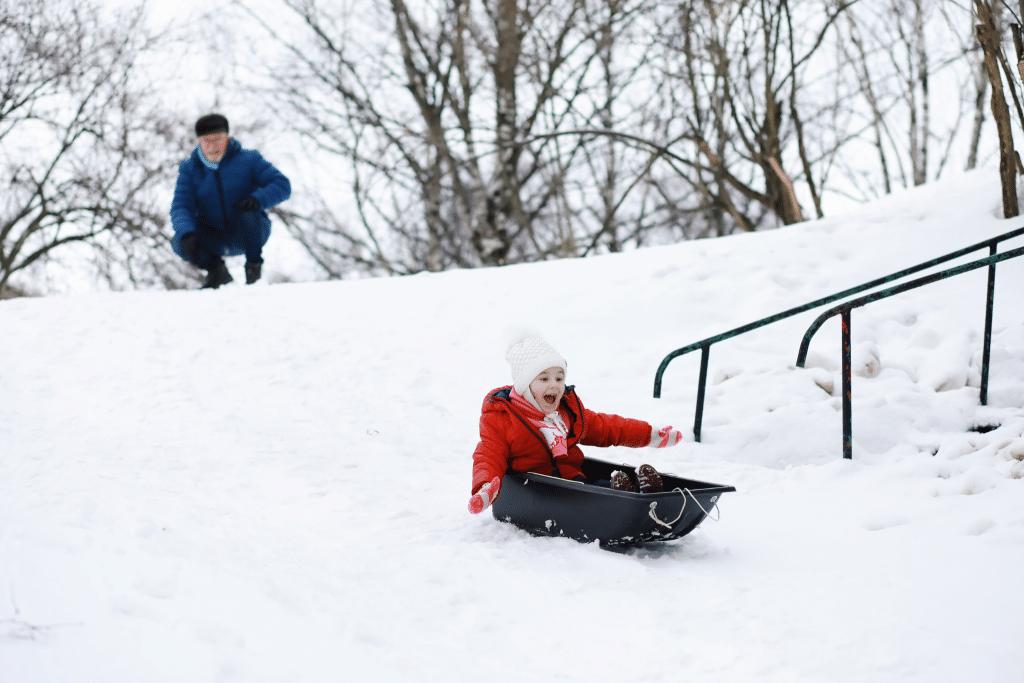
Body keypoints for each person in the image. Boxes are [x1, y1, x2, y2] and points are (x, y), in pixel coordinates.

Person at [468, 333, 685, 515]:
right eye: (544, 379)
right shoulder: (503, 418)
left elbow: (608, 427)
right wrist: (485, 489)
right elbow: (489, 455)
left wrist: (651, 435)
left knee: (601, 485)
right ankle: (629, 499)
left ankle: (642, 493)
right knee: (599, 494)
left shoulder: (566, 413)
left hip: (574, 482)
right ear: (525, 386)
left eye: (559, 378)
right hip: (539, 493)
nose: (554, 385)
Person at [170, 114, 291, 288]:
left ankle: (253, 271)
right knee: (180, 239)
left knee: (248, 212)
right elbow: (181, 206)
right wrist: (187, 233)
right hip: (213, 236)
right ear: (199, 142)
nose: (212, 146)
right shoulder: (190, 169)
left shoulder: (250, 160)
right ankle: (217, 272)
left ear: (227, 138)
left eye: (217, 139)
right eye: (206, 141)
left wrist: (257, 199)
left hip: (249, 232)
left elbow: (282, 184)